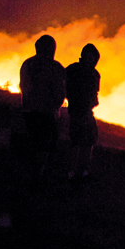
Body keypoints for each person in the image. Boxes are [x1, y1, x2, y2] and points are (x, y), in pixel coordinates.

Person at [19, 34, 66, 179]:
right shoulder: (56, 67)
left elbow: (24, 86)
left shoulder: (28, 64)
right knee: (45, 146)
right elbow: (61, 91)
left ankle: (28, 175)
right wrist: (55, 107)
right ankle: (39, 176)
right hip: (47, 113)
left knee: (31, 144)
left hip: (29, 112)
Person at [65, 43, 101, 181]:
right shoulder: (77, 70)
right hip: (79, 109)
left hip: (83, 109)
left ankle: (79, 170)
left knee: (88, 139)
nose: (91, 59)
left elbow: (94, 92)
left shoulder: (91, 73)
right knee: (79, 140)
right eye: (89, 55)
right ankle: (75, 170)